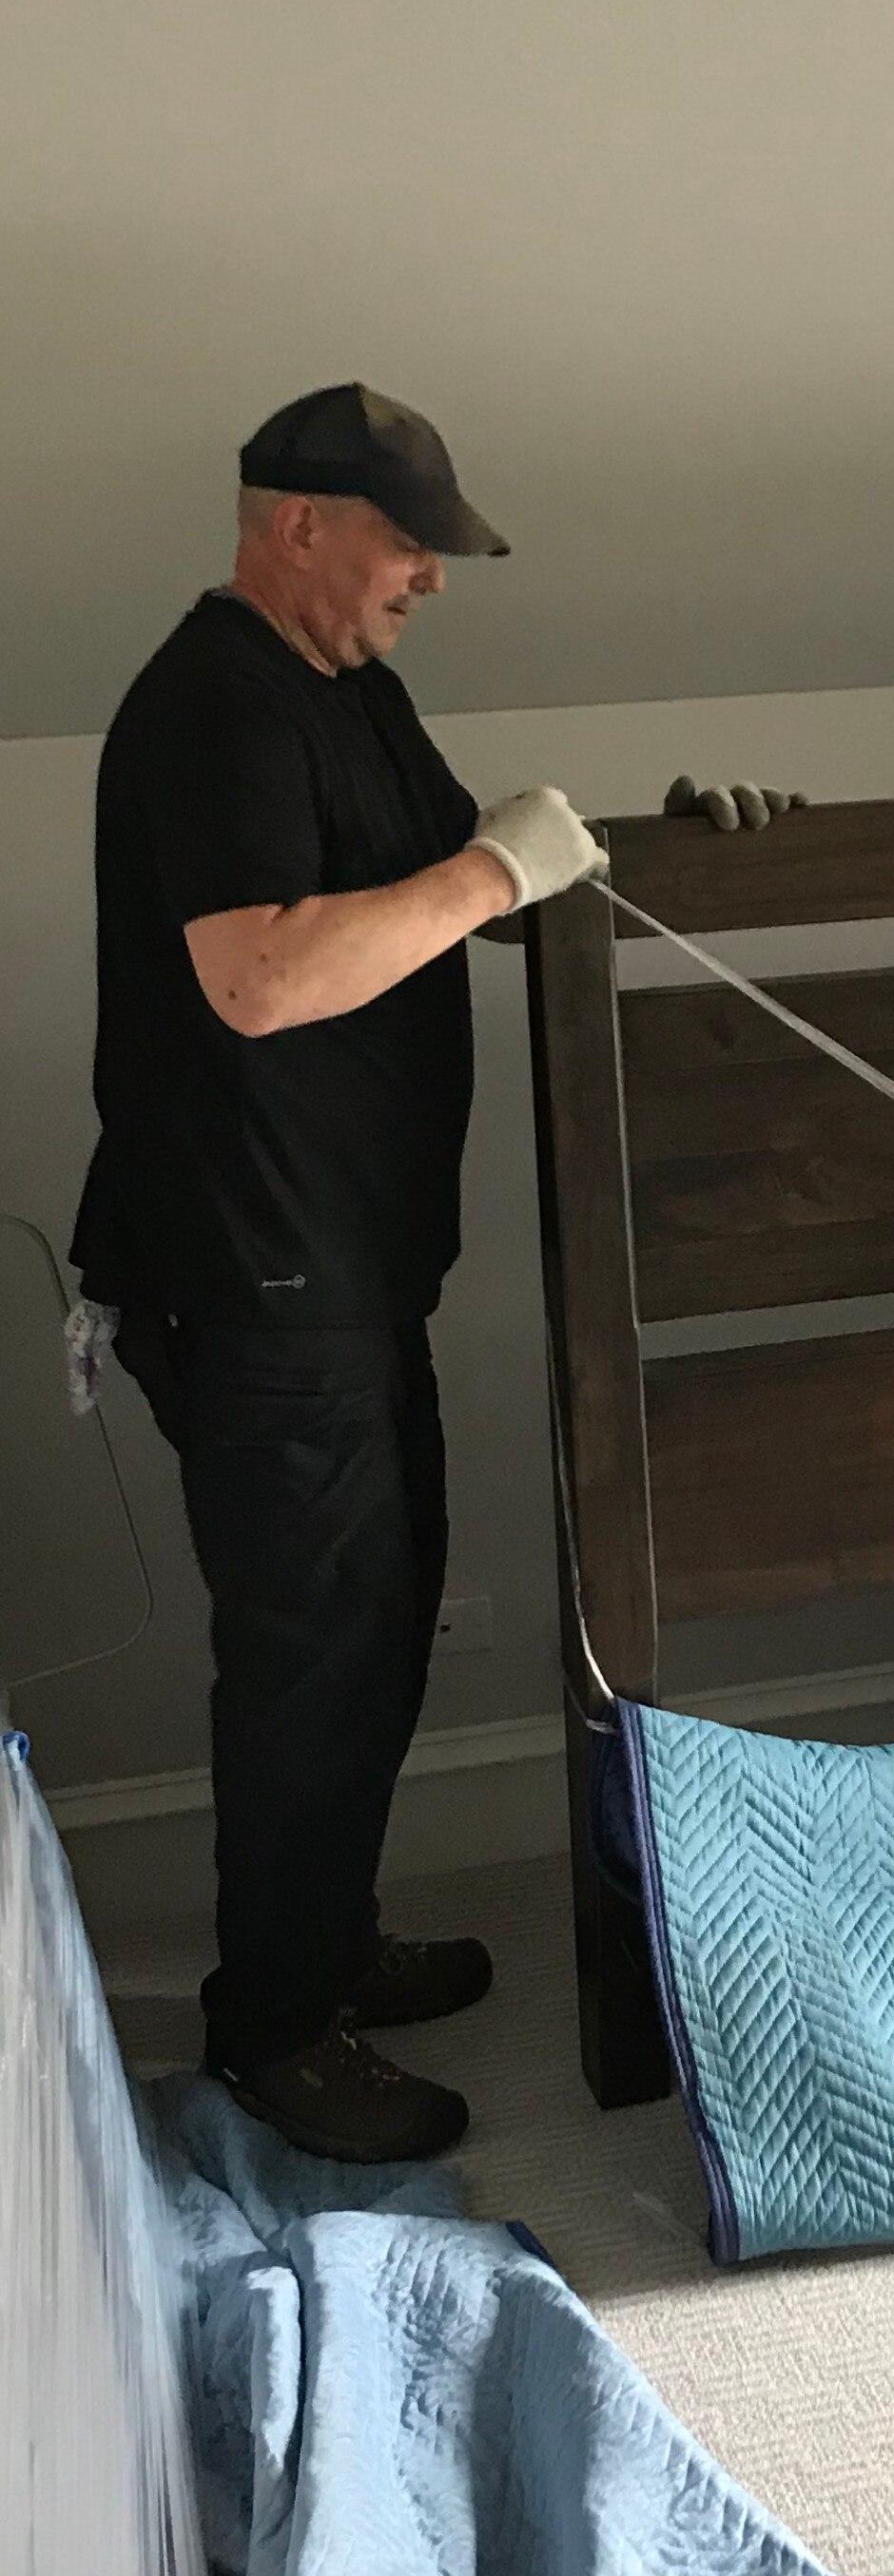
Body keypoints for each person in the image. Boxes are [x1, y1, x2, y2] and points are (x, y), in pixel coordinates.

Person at [70, 384, 614, 2162]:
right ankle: (275, 2028)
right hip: (252, 1275)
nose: (430, 580)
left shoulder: (348, 690)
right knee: (313, 1648)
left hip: (347, 1265)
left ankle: (327, 1939)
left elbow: (439, 898)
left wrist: (623, 853)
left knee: (377, 1618)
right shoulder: (212, 705)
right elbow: (261, 978)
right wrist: (494, 867)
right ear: (296, 523)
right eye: (407, 544)